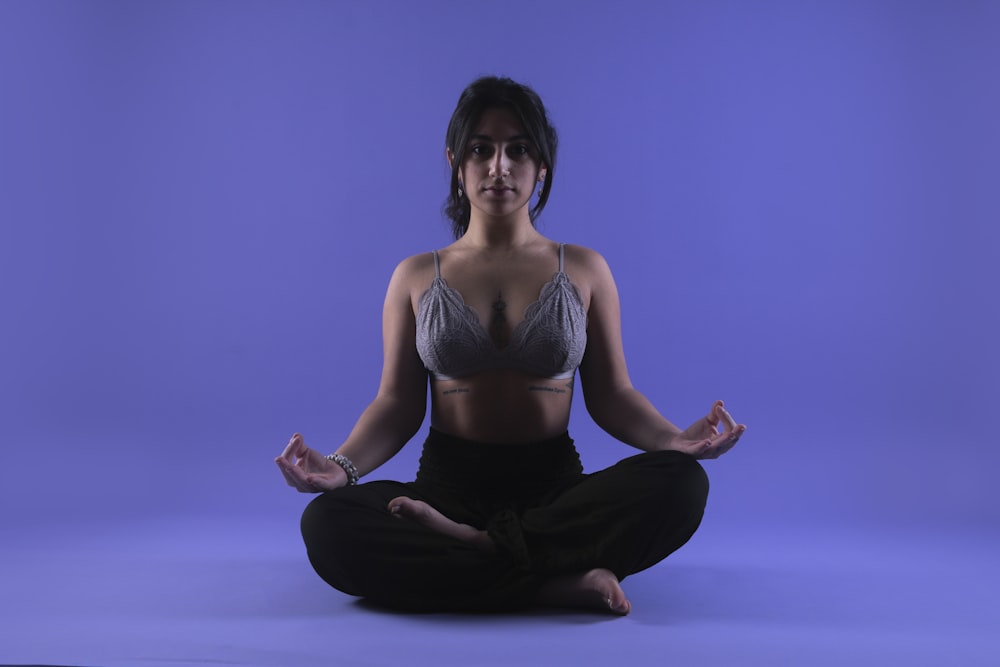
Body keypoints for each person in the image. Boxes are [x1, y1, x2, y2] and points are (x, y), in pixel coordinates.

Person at [275, 76, 745, 615]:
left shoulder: (586, 269)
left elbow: (613, 394)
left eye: (518, 149)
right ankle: (551, 581)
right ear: (456, 161)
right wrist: (341, 466)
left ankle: (478, 552)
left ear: (541, 166)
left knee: (683, 484)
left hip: (556, 494)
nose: (499, 166)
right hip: (446, 489)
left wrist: (672, 440)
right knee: (328, 525)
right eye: (482, 149)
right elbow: (397, 405)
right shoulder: (414, 275)